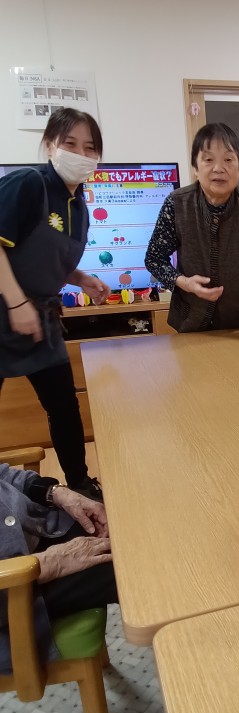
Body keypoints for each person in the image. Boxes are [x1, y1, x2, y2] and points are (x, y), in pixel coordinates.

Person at [0, 109, 109, 500]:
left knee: (64, 405)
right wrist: (16, 304)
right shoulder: (29, 184)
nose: (81, 154)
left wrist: (81, 278)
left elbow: (47, 257)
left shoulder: (79, 206)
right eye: (70, 144)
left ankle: (80, 483)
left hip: (41, 317)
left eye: (90, 148)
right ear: (49, 146)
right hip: (5, 311)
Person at [145, 122, 239, 339]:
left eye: (228, 159)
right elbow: (154, 259)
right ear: (195, 167)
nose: (218, 168)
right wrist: (184, 283)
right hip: (191, 325)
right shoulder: (177, 204)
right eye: (208, 159)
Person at [0, 461, 117, 672]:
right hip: (15, 591)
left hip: (39, 529)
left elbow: (5, 476)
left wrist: (55, 492)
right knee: (131, 569)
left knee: (124, 520)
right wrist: (48, 562)